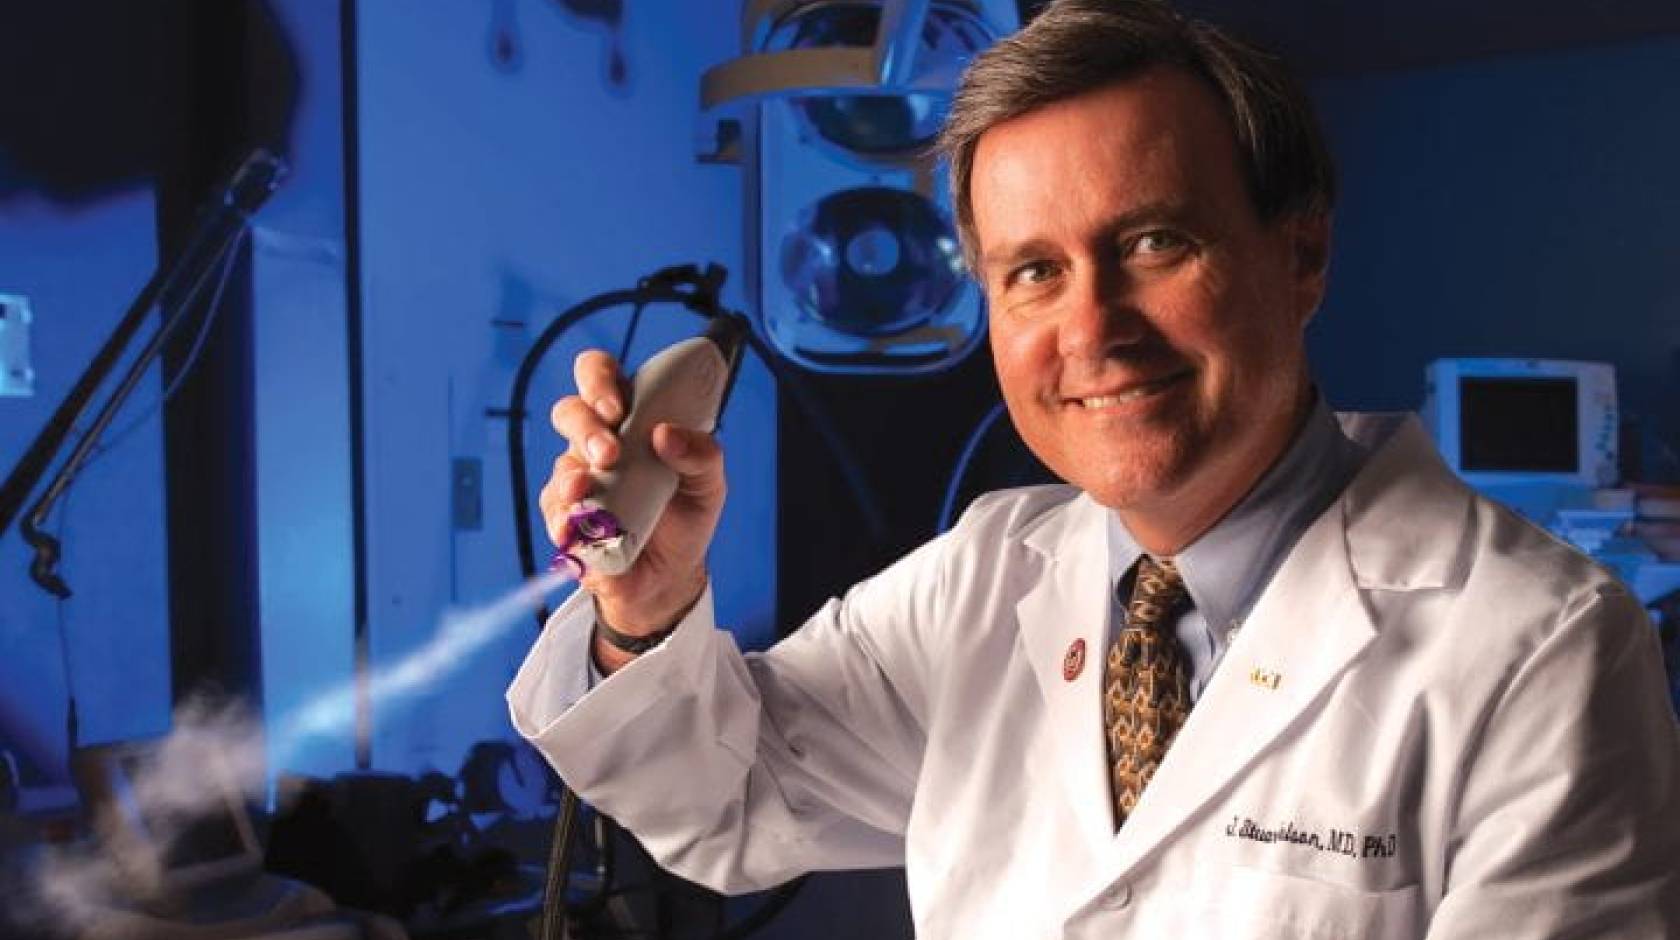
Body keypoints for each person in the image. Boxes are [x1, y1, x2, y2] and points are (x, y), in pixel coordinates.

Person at [507, 1, 1680, 936]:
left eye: (1154, 243)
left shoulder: (1542, 648)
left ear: (1302, 252)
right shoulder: (980, 576)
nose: (1093, 329)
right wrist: (647, 611)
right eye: (1032, 272)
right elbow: (737, 793)